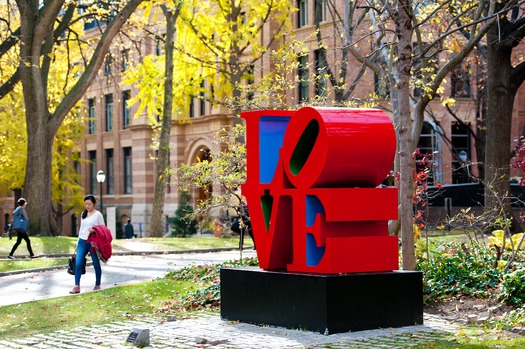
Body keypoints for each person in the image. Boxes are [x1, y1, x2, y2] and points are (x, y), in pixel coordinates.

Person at [70, 194, 105, 294]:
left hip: (92, 242)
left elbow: (103, 229)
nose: (87, 206)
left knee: (95, 263)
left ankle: (97, 284)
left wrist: (94, 230)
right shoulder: (83, 214)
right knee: (78, 263)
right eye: (86, 204)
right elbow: (81, 229)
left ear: (94, 203)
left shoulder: (98, 215)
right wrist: (77, 243)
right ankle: (76, 286)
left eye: (89, 204)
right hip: (82, 241)